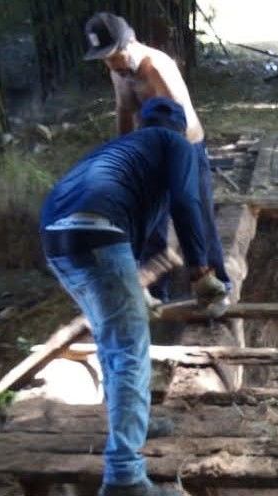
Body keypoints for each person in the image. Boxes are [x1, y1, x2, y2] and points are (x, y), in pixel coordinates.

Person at [40, 97, 228, 496]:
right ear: (181, 130)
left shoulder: (125, 151)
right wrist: (202, 270)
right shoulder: (174, 143)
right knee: (128, 347)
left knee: (113, 341)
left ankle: (133, 424)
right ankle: (125, 476)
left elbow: (140, 221)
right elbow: (187, 202)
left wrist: (133, 286)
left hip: (57, 238)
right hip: (98, 233)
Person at [83, 11, 230, 301]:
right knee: (150, 227)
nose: (111, 63)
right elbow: (124, 110)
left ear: (131, 42)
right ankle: (155, 296)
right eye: (105, 58)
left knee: (195, 218)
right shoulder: (118, 71)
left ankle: (216, 290)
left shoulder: (157, 69)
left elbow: (178, 125)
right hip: (149, 153)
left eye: (114, 55)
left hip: (184, 148)